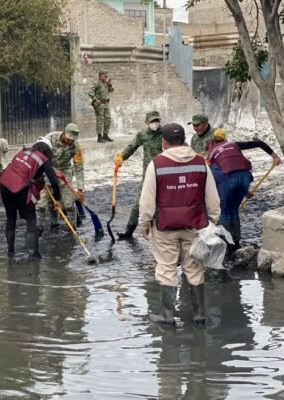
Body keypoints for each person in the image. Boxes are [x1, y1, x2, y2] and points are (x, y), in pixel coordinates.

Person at [139, 123, 220, 325]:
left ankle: (167, 316)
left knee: (166, 268)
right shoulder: (200, 163)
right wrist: (213, 221)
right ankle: (199, 315)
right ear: (184, 139)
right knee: (194, 267)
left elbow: (147, 199)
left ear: (163, 142)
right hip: (194, 226)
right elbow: (212, 197)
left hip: (165, 227)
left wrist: (144, 223)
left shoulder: (156, 164)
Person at [206, 129, 281, 251]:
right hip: (245, 177)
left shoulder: (211, 154)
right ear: (224, 139)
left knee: (224, 212)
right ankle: (237, 242)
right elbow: (259, 143)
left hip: (228, 179)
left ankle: (230, 245)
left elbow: (216, 178)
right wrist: (274, 156)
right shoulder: (233, 144)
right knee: (234, 210)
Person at [0, 137, 62, 259]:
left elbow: (20, 169)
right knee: (31, 219)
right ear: (47, 151)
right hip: (21, 188)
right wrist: (57, 199)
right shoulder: (43, 159)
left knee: (11, 218)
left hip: (5, 184)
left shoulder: (22, 152)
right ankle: (33, 255)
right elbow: (53, 182)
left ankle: (10, 253)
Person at [113, 111, 163, 239]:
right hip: (148, 175)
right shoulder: (142, 135)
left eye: (156, 121)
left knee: (165, 202)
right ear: (146, 122)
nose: (154, 124)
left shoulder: (165, 134)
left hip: (165, 174)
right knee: (140, 203)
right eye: (152, 121)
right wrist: (121, 157)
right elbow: (131, 147)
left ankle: (165, 231)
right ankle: (129, 231)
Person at [36, 123, 85, 233]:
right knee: (42, 203)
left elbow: (79, 167)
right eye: (69, 139)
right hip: (48, 170)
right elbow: (40, 157)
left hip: (65, 173)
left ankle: (72, 228)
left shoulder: (76, 147)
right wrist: (52, 170)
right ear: (64, 133)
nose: (70, 142)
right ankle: (42, 227)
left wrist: (80, 189)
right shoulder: (50, 139)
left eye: (73, 140)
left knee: (68, 203)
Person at [88, 70, 114, 143]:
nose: (106, 77)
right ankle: (99, 137)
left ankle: (105, 135)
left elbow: (111, 91)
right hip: (100, 104)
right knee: (100, 120)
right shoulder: (96, 83)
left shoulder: (106, 84)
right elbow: (90, 92)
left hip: (106, 104)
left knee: (108, 119)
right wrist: (95, 99)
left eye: (106, 76)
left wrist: (109, 84)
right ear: (100, 76)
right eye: (104, 75)